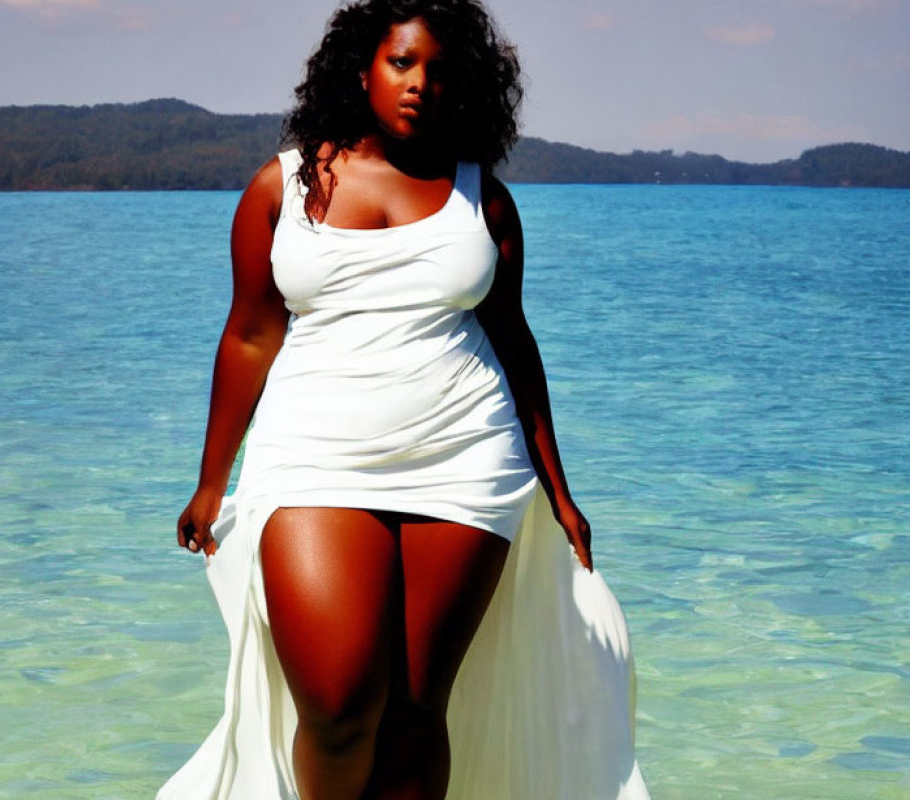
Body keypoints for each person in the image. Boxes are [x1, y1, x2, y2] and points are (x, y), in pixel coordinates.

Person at [159, 1, 649, 799]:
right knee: (339, 707)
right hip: (314, 453)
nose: (419, 83)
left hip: (464, 455)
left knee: (418, 711)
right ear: (362, 69)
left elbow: (515, 344)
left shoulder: (481, 200)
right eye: (401, 63)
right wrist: (212, 480)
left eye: (438, 70)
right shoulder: (283, 187)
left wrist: (560, 492)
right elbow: (250, 334)